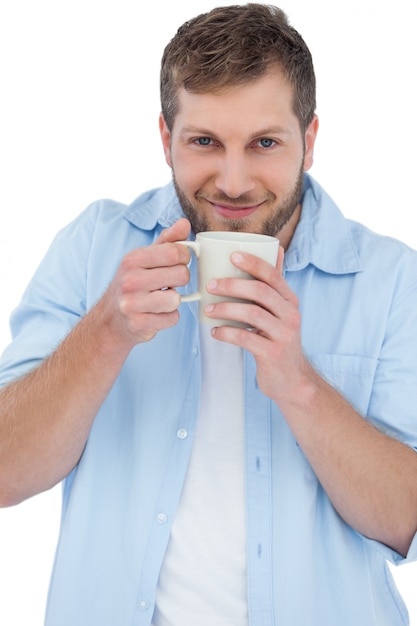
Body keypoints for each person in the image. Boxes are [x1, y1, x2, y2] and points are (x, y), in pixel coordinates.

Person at [0, 3, 417, 624]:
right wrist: (105, 335)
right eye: (204, 142)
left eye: (265, 143)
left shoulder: (390, 280)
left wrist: (299, 385)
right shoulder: (93, 245)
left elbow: (405, 517)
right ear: (166, 139)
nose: (234, 181)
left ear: (311, 141)